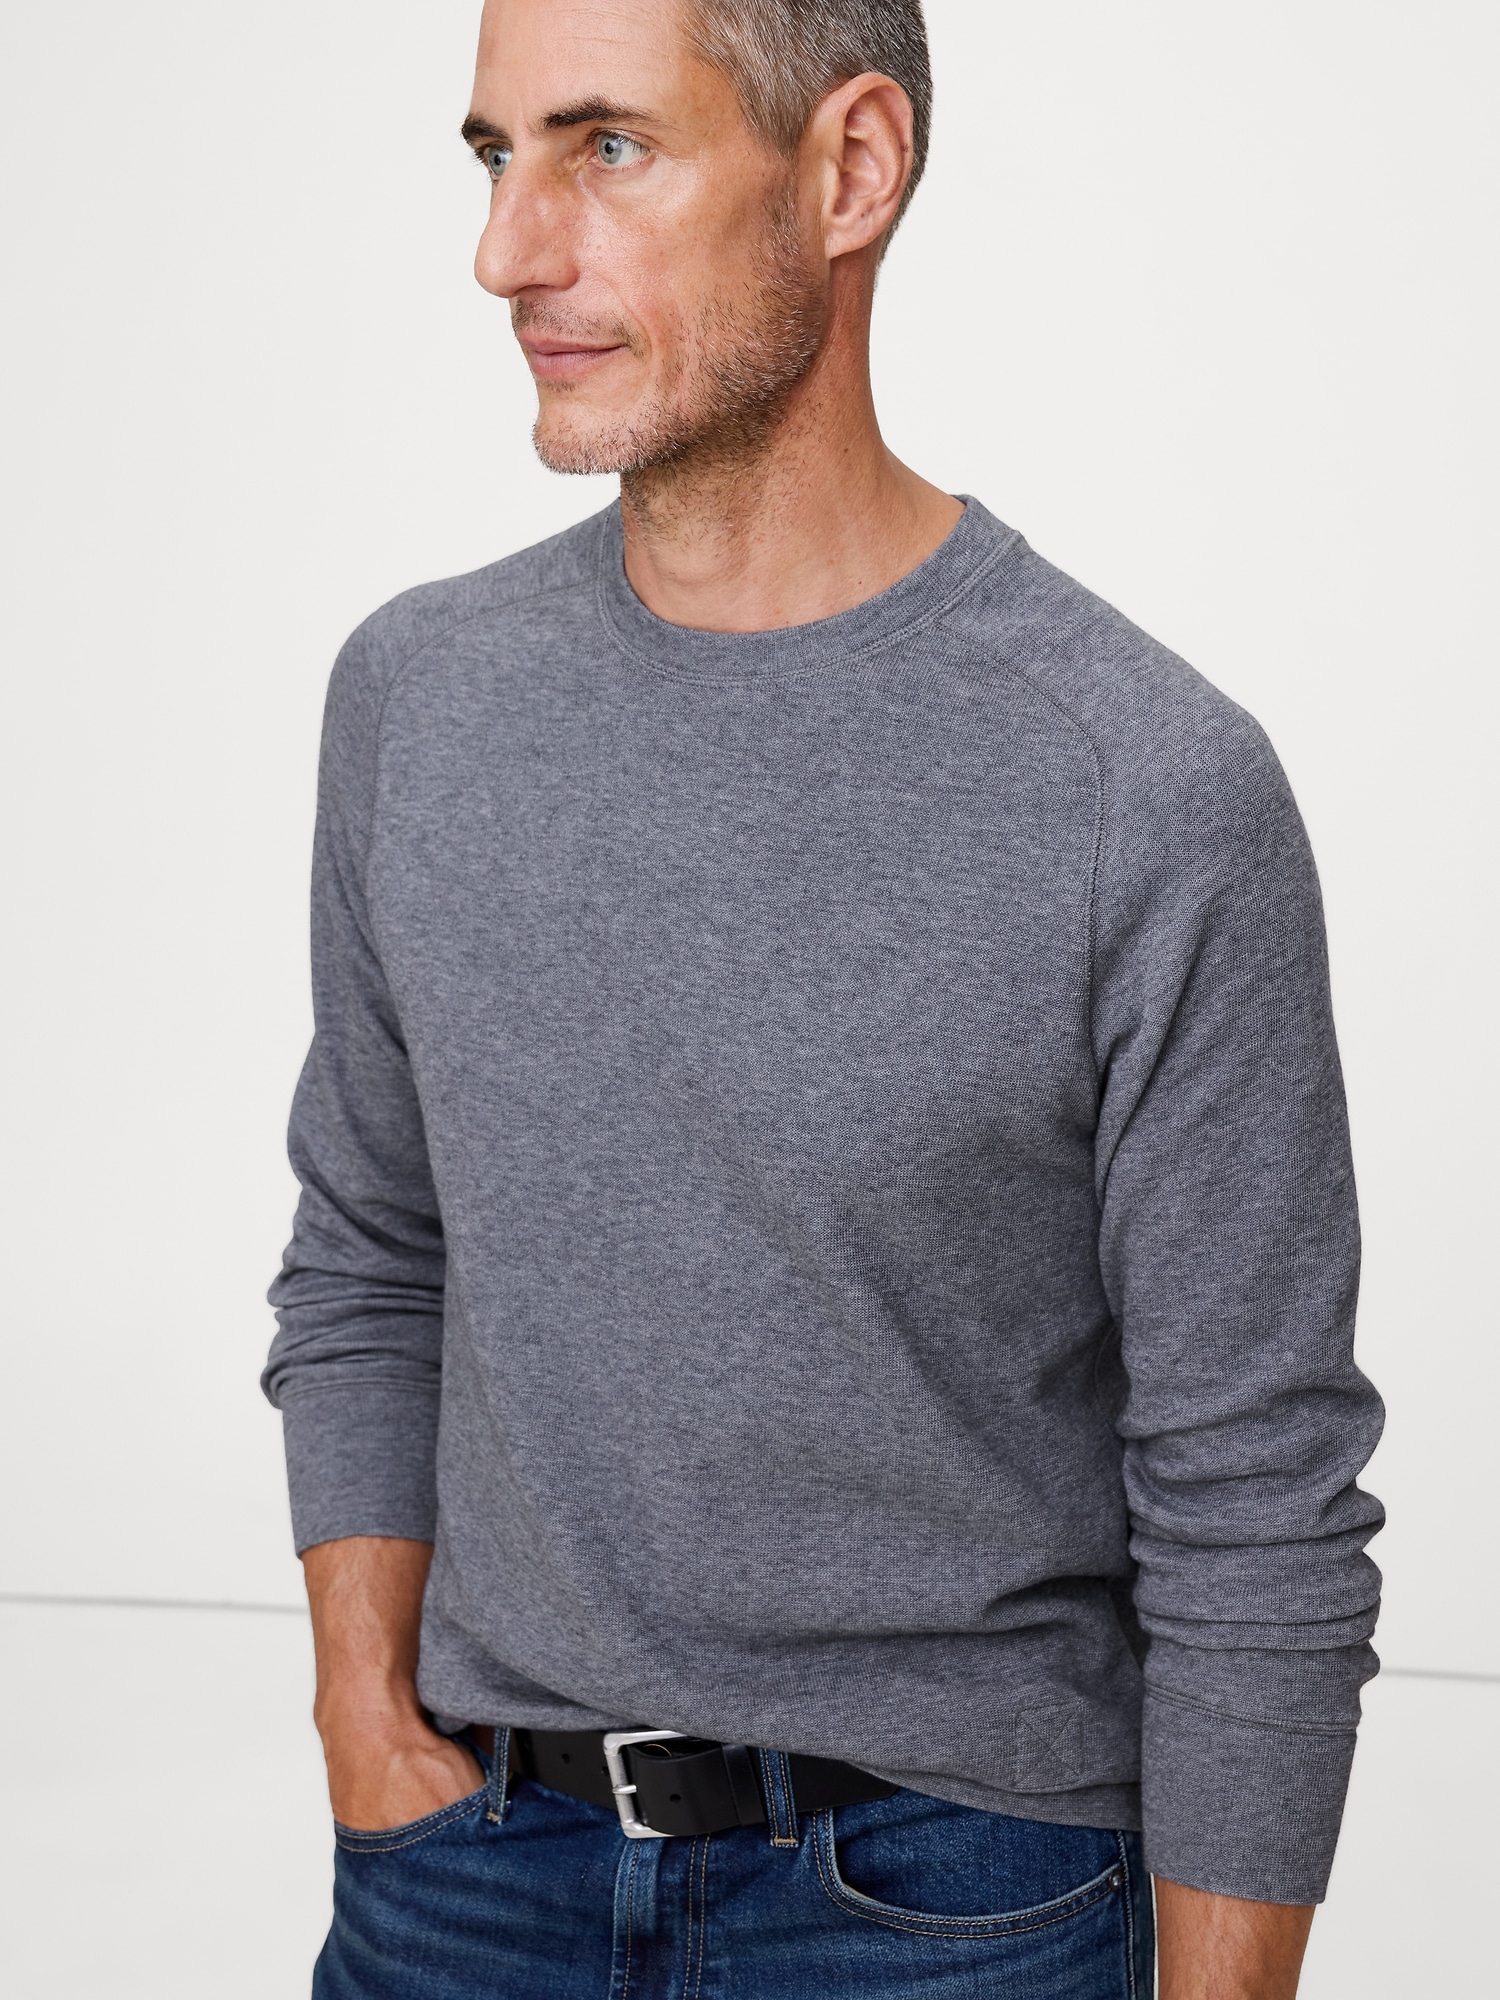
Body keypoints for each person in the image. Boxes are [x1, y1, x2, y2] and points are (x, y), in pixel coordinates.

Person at [263, 1, 1384, 1993]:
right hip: (465, 1881)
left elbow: (1256, 1500)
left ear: (850, 169)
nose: (509, 250)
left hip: (959, 1905)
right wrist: (367, 1711)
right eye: (496, 156)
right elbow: (369, 1252)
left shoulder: (1143, 786)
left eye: (607, 148)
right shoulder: (419, 701)